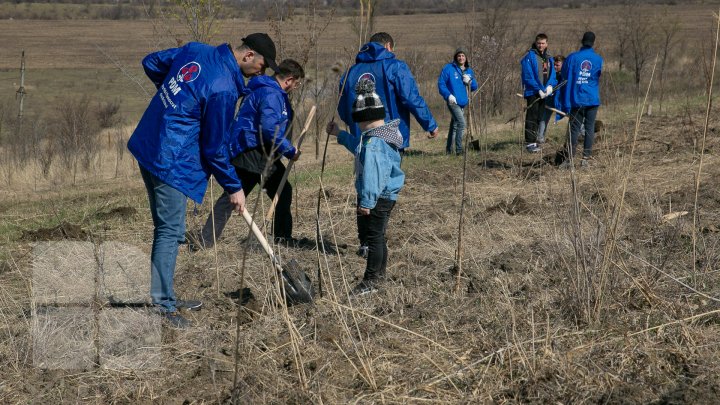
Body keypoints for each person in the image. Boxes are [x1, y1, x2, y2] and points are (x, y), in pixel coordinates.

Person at [127, 33, 278, 328]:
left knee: (168, 229)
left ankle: (166, 295)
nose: (263, 71)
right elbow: (214, 147)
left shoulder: (197, 50)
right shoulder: (223, 88)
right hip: (169, 158)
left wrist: (174, 100)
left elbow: (152, 62)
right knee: (170, 231)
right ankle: (162, 306)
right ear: (248, 56)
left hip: (150, 142)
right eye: (262, 65)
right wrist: (234, 186)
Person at [191, 59, 305, 249]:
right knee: (232, 197)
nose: (295, 88)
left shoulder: (268, 90)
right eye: (296, 84)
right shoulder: (271, 94)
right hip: (252, 154)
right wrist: (290, 150)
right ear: (289, 80)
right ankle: (204, 242)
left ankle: (282, 238)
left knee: (282, 191)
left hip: (262, 154)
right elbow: (269, 129)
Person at [326, 78, 405, 296]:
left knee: (374, 238)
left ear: (365, 120)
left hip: (378, 197)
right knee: (378, 236)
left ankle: (370, 280)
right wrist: (340, 134)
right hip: (385, 195)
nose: (359, 126)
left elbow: (373, 174)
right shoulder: (379, 137)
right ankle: (379, 276)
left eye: (360, 123)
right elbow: (358, 147)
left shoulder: (374, 144)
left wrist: (367, 202)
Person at [338, 32, 439, 151]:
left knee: (366, 168)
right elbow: (411, 98)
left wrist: (356, 126)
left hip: (361, 139)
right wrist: (430, 124)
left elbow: (343, 108)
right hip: (390, 136)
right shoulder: (395, 67)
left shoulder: (350, 73)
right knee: (389, 169)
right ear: (388, 46)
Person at [558, 31, 603, 168]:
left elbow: (564, 76)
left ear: (582, 41)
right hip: (592, 99)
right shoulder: (598, 59)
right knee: (589, 128)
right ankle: (586, 159)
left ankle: (570, 160)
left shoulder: (572, 58)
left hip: (576, 99)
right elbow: (597, 76)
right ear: (593, 42)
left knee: (574, 129)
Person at [520, 33, 557, 153]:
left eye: (543, 43)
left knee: (539, 117)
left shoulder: (549, 58)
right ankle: (530, 143)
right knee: (532, 116)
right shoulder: (529, 57)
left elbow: (553, 74)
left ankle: (535, 141)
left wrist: (550, 86)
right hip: (533, 92)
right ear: (536, 43)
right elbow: (528, 76)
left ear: (547, 44)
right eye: (539, 43)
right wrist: (538, 89)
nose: (541, 45)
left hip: (545, 92)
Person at [437, 48, 478, 155]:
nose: (461, 57)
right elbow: (441, 84)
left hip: (463, 102)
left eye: (463, 56)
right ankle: (459, 150)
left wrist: (470, 81)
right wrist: (448, 95)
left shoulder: (468, 70)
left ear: (466, 58)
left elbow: (474, 87)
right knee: (461, 123)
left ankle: (449, 151)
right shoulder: (448, 68)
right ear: (456, 57)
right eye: (459, 55)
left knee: (454, 126)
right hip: (453, 101)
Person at [537, 54, 565, 143]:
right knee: (544, 118)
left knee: (574, 116)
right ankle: (540, 138)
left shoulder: (566, 75)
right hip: (550, 99)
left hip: (562, 100)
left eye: (558, 65)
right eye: (554, 65)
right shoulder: (550, 74)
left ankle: (582, 133)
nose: (555, 67)